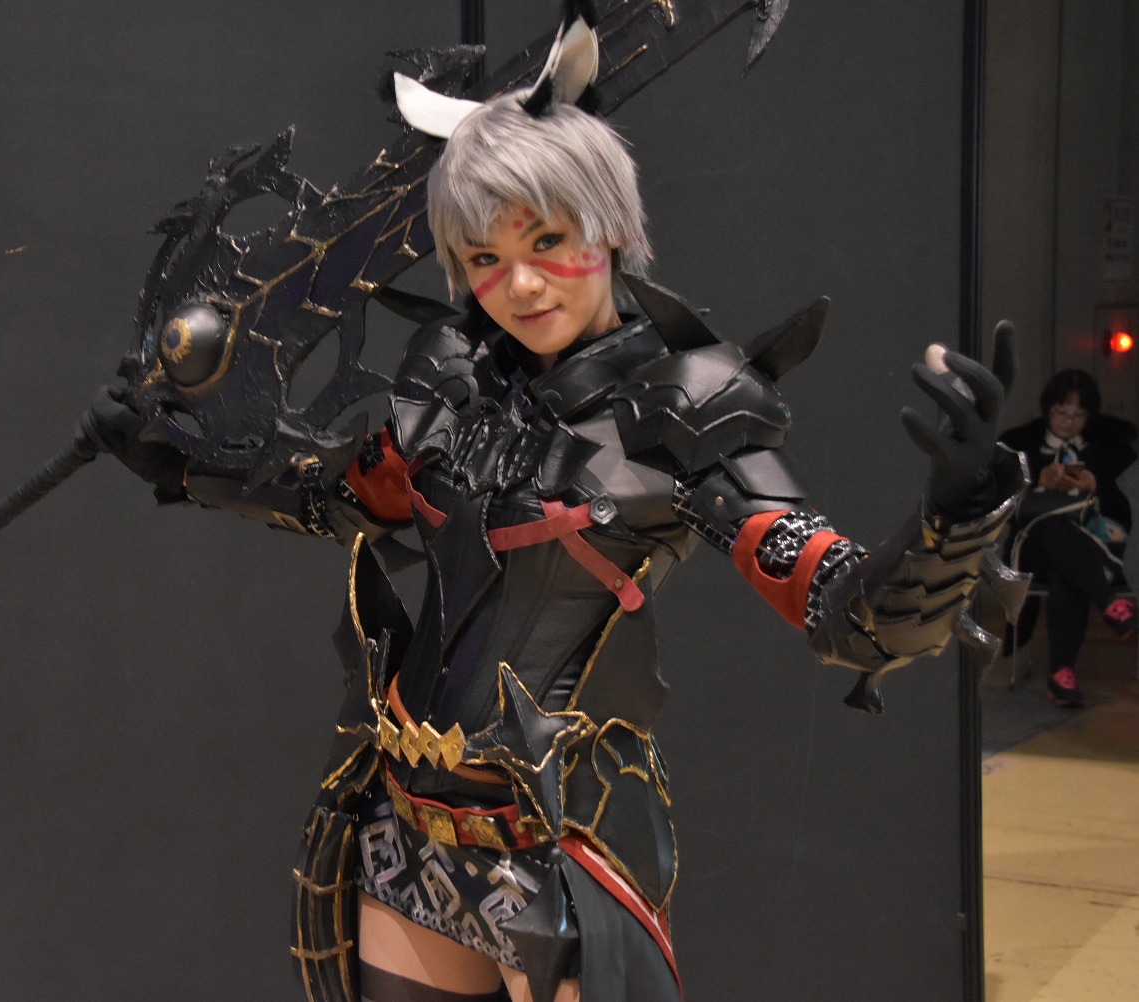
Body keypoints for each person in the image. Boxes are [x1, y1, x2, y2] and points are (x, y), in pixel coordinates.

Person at [83, 20, 1026, 1002]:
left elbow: (844, 612)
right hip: (407, 822)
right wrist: (181, 464)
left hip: (561, 844)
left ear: (608, 227)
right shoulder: (451, 381)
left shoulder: (683, 408)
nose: (521, 284)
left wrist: (957, 517)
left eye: (547, 241)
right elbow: (343, 498)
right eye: (484, 258)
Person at [999, 369, 1136, 707]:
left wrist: (1096, 485)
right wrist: (1037, 481)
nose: (1069, 421)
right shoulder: (1021, 447)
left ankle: (1062, 677)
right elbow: (996, 502)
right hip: (1030, 547)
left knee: (1066, 571)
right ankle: (1110, 604)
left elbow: (1127, 510)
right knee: (1052, 530)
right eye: (1062, 412)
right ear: (1049, 409)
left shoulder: (1109, 453)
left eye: (1078, 415)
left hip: (1087, 548)